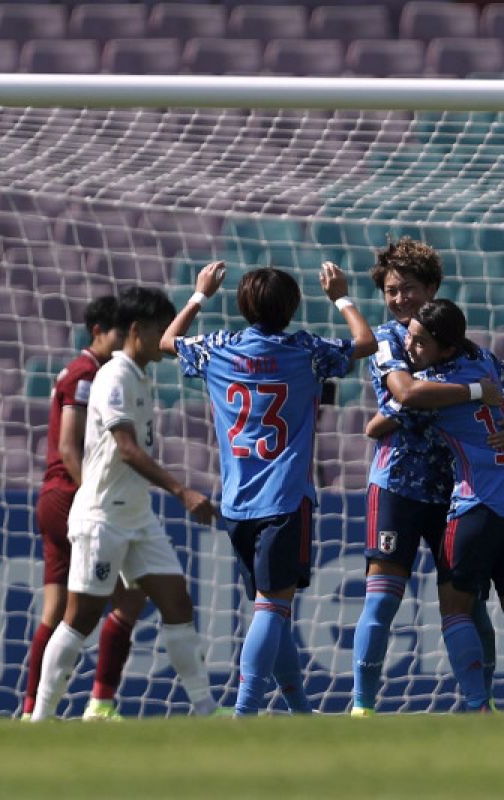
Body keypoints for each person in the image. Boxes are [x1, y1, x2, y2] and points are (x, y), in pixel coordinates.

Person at [161, 261, 376, 716]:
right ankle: (245, 713)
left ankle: (299, 711)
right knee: (273, 611)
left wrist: (200, 295)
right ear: (293, 307)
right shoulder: (306, 351)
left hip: (237, 502)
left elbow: (166, 343)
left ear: (242, 305)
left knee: (271, 611)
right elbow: (366, 343)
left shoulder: (218, 349)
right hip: (284, 498)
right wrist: (341, 296)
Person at [31, 286, 221, 721]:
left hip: (136, 518)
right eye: (158, 330)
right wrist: (183, 491)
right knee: (80, 618)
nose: (163, 338)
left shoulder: (137, 373)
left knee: (177, 603)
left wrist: (198, 297)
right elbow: (127, 449)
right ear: (136, 331)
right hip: (103, 517)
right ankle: (40, 717)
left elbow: (176, 343)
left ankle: (206, 709)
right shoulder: (113, 377)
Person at [351, 237, 504, 716]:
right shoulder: (386, 339)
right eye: (392, 291)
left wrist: (405, 408)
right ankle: (361, 706)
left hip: (459, 491)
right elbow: (408, 393)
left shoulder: (459, 344)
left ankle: (481, 704)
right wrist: (468, 392)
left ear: (433, 288)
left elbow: (501, 379)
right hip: (398, 483)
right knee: (382, 601)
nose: (400, 300)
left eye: (410, 289)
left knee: (468, 604)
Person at [372, 299, 504, 712]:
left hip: (477, 506)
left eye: (420, 341)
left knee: (454, 608)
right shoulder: (485, 361)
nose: (410, 346)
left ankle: (477, 705)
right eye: (410, 336)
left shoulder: (432, 389)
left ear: (445, 348)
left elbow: (375, 427)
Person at [20, 296, 149, 721]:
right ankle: (101, 701)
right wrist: (92, 494)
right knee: (128, 600)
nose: (120, 343)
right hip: (75, 497)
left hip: (54, 495)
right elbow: (68, 447)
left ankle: (30, 710)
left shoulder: (80, 372)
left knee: (55, 612)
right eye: (116, 333)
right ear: (97, 332)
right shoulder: (88, 376)